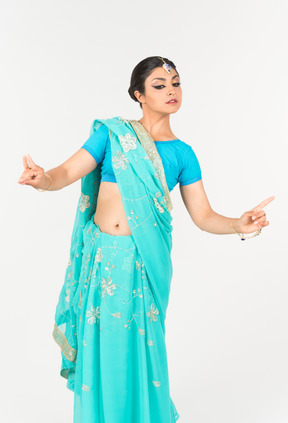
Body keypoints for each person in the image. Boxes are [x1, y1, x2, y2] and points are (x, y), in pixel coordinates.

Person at [17, 56, 275, 423]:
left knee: (141, 349)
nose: (171, 91)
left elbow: (203, 216)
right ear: (138, 94)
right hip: (104, 260)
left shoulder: (183, 153)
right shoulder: (112, 134)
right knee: (101, 350)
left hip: (143, 264)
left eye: (176, 83)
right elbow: (65, 173)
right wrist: (42, 179)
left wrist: (239, 224)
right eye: (159, 85)